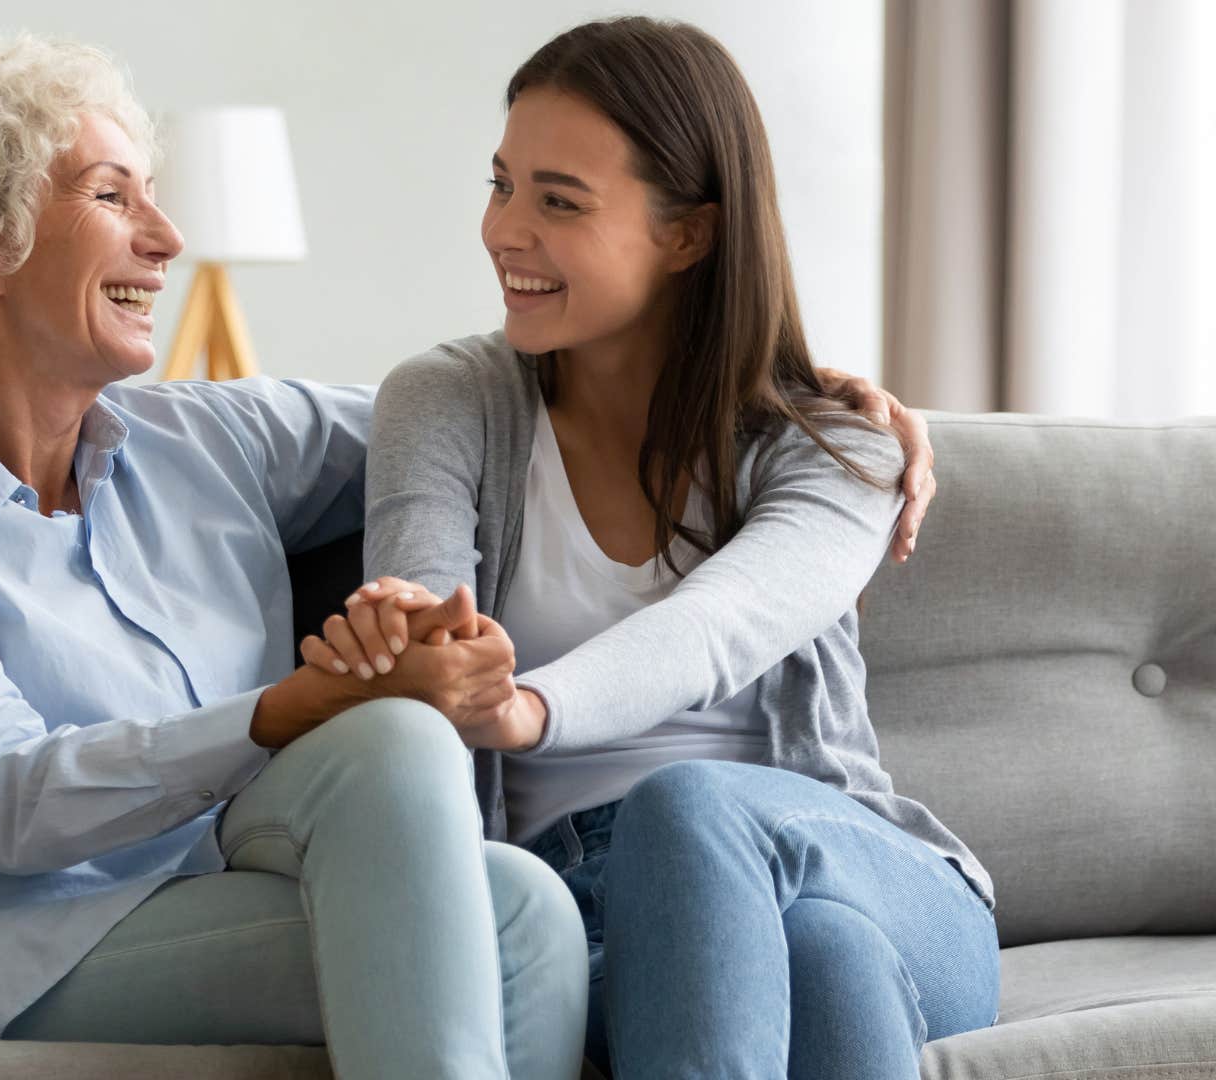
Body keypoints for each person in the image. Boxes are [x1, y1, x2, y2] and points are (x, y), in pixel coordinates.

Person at [0, 34, 589, 1079]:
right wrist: (297, 705)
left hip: (185, 888)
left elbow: (460, 412)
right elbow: (1, 797)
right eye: (113, 197)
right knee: (452, 836)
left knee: (530, 904)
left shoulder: (204, 442)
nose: (169, 236)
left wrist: (761, 397)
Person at [304, 17, 996, 1079]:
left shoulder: (841, 447)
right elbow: (423, 632)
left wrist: (525, 708)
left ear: (687, 236)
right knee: (822, 961)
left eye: (559, 201)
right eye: (502, 186)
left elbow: (718, 628)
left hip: (860, 869)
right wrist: (419, 655)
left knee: (700, 812)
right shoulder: (444, 404)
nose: (504, 231)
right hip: (579, 900)